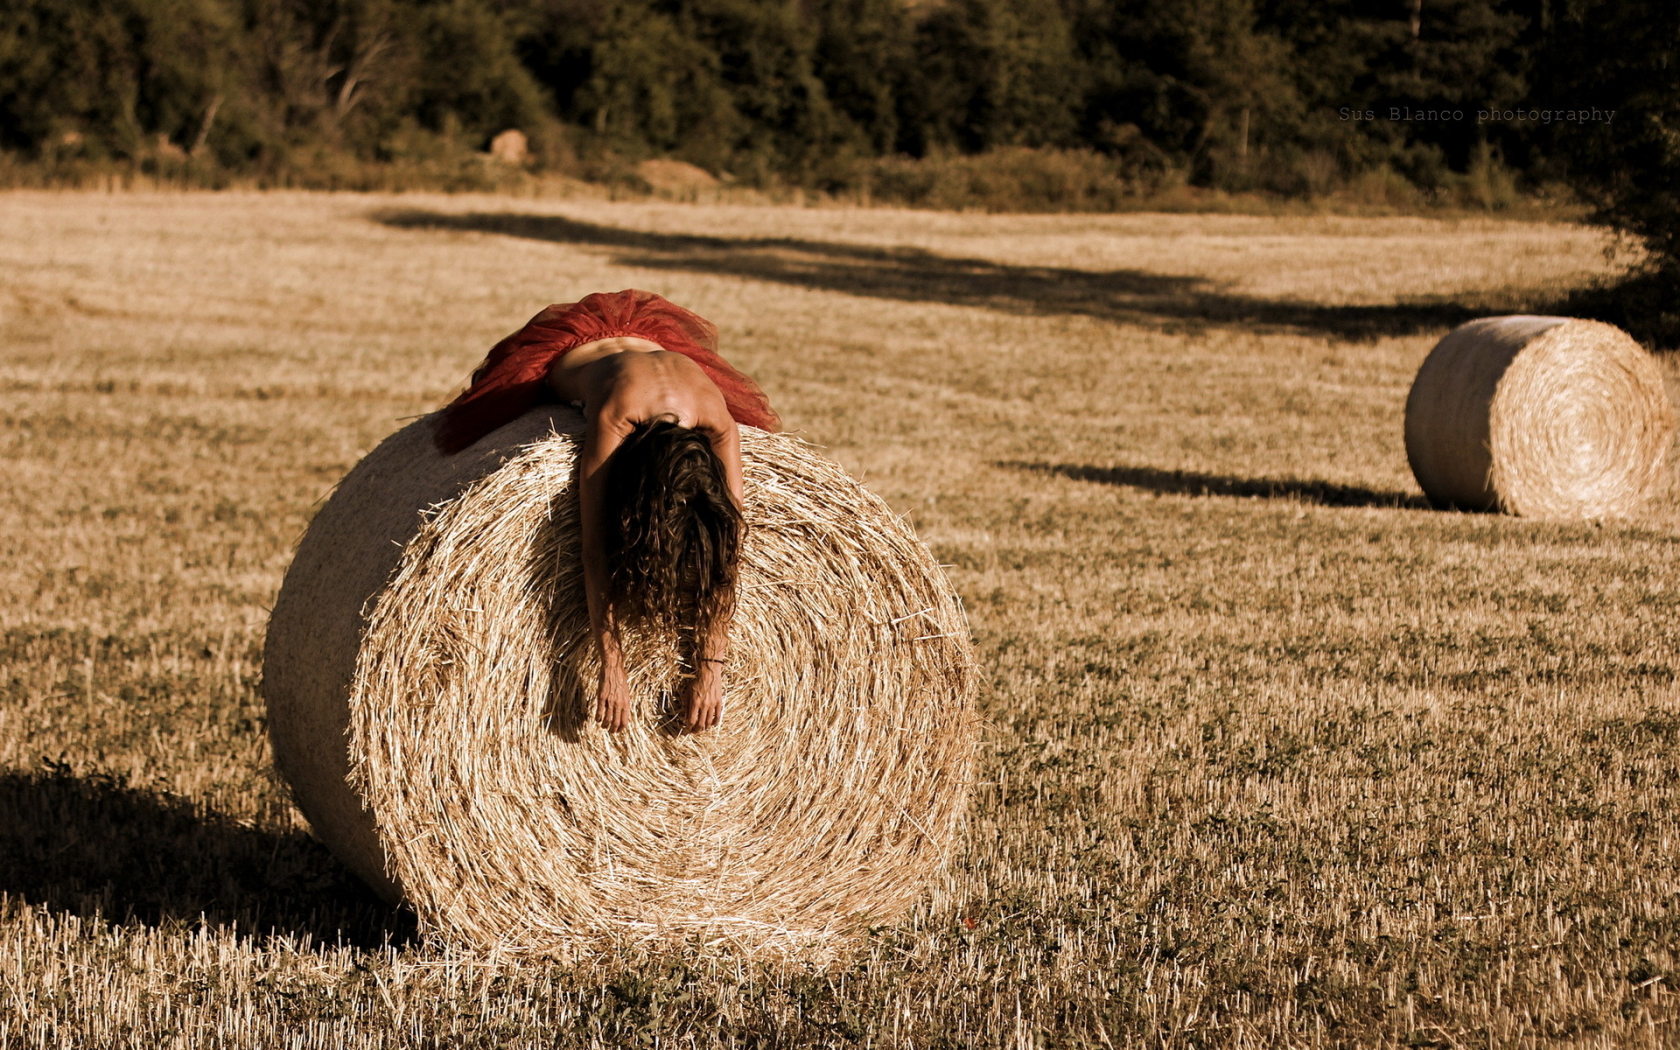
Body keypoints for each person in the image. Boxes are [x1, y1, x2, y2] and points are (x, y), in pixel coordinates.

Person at [435, 290, 780, 735]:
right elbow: (594, 546)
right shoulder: (618, 414)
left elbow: (728, 550)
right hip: (575, 351)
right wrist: (611, 665)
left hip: (652, 344)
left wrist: (710, 666)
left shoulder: (718, 420)